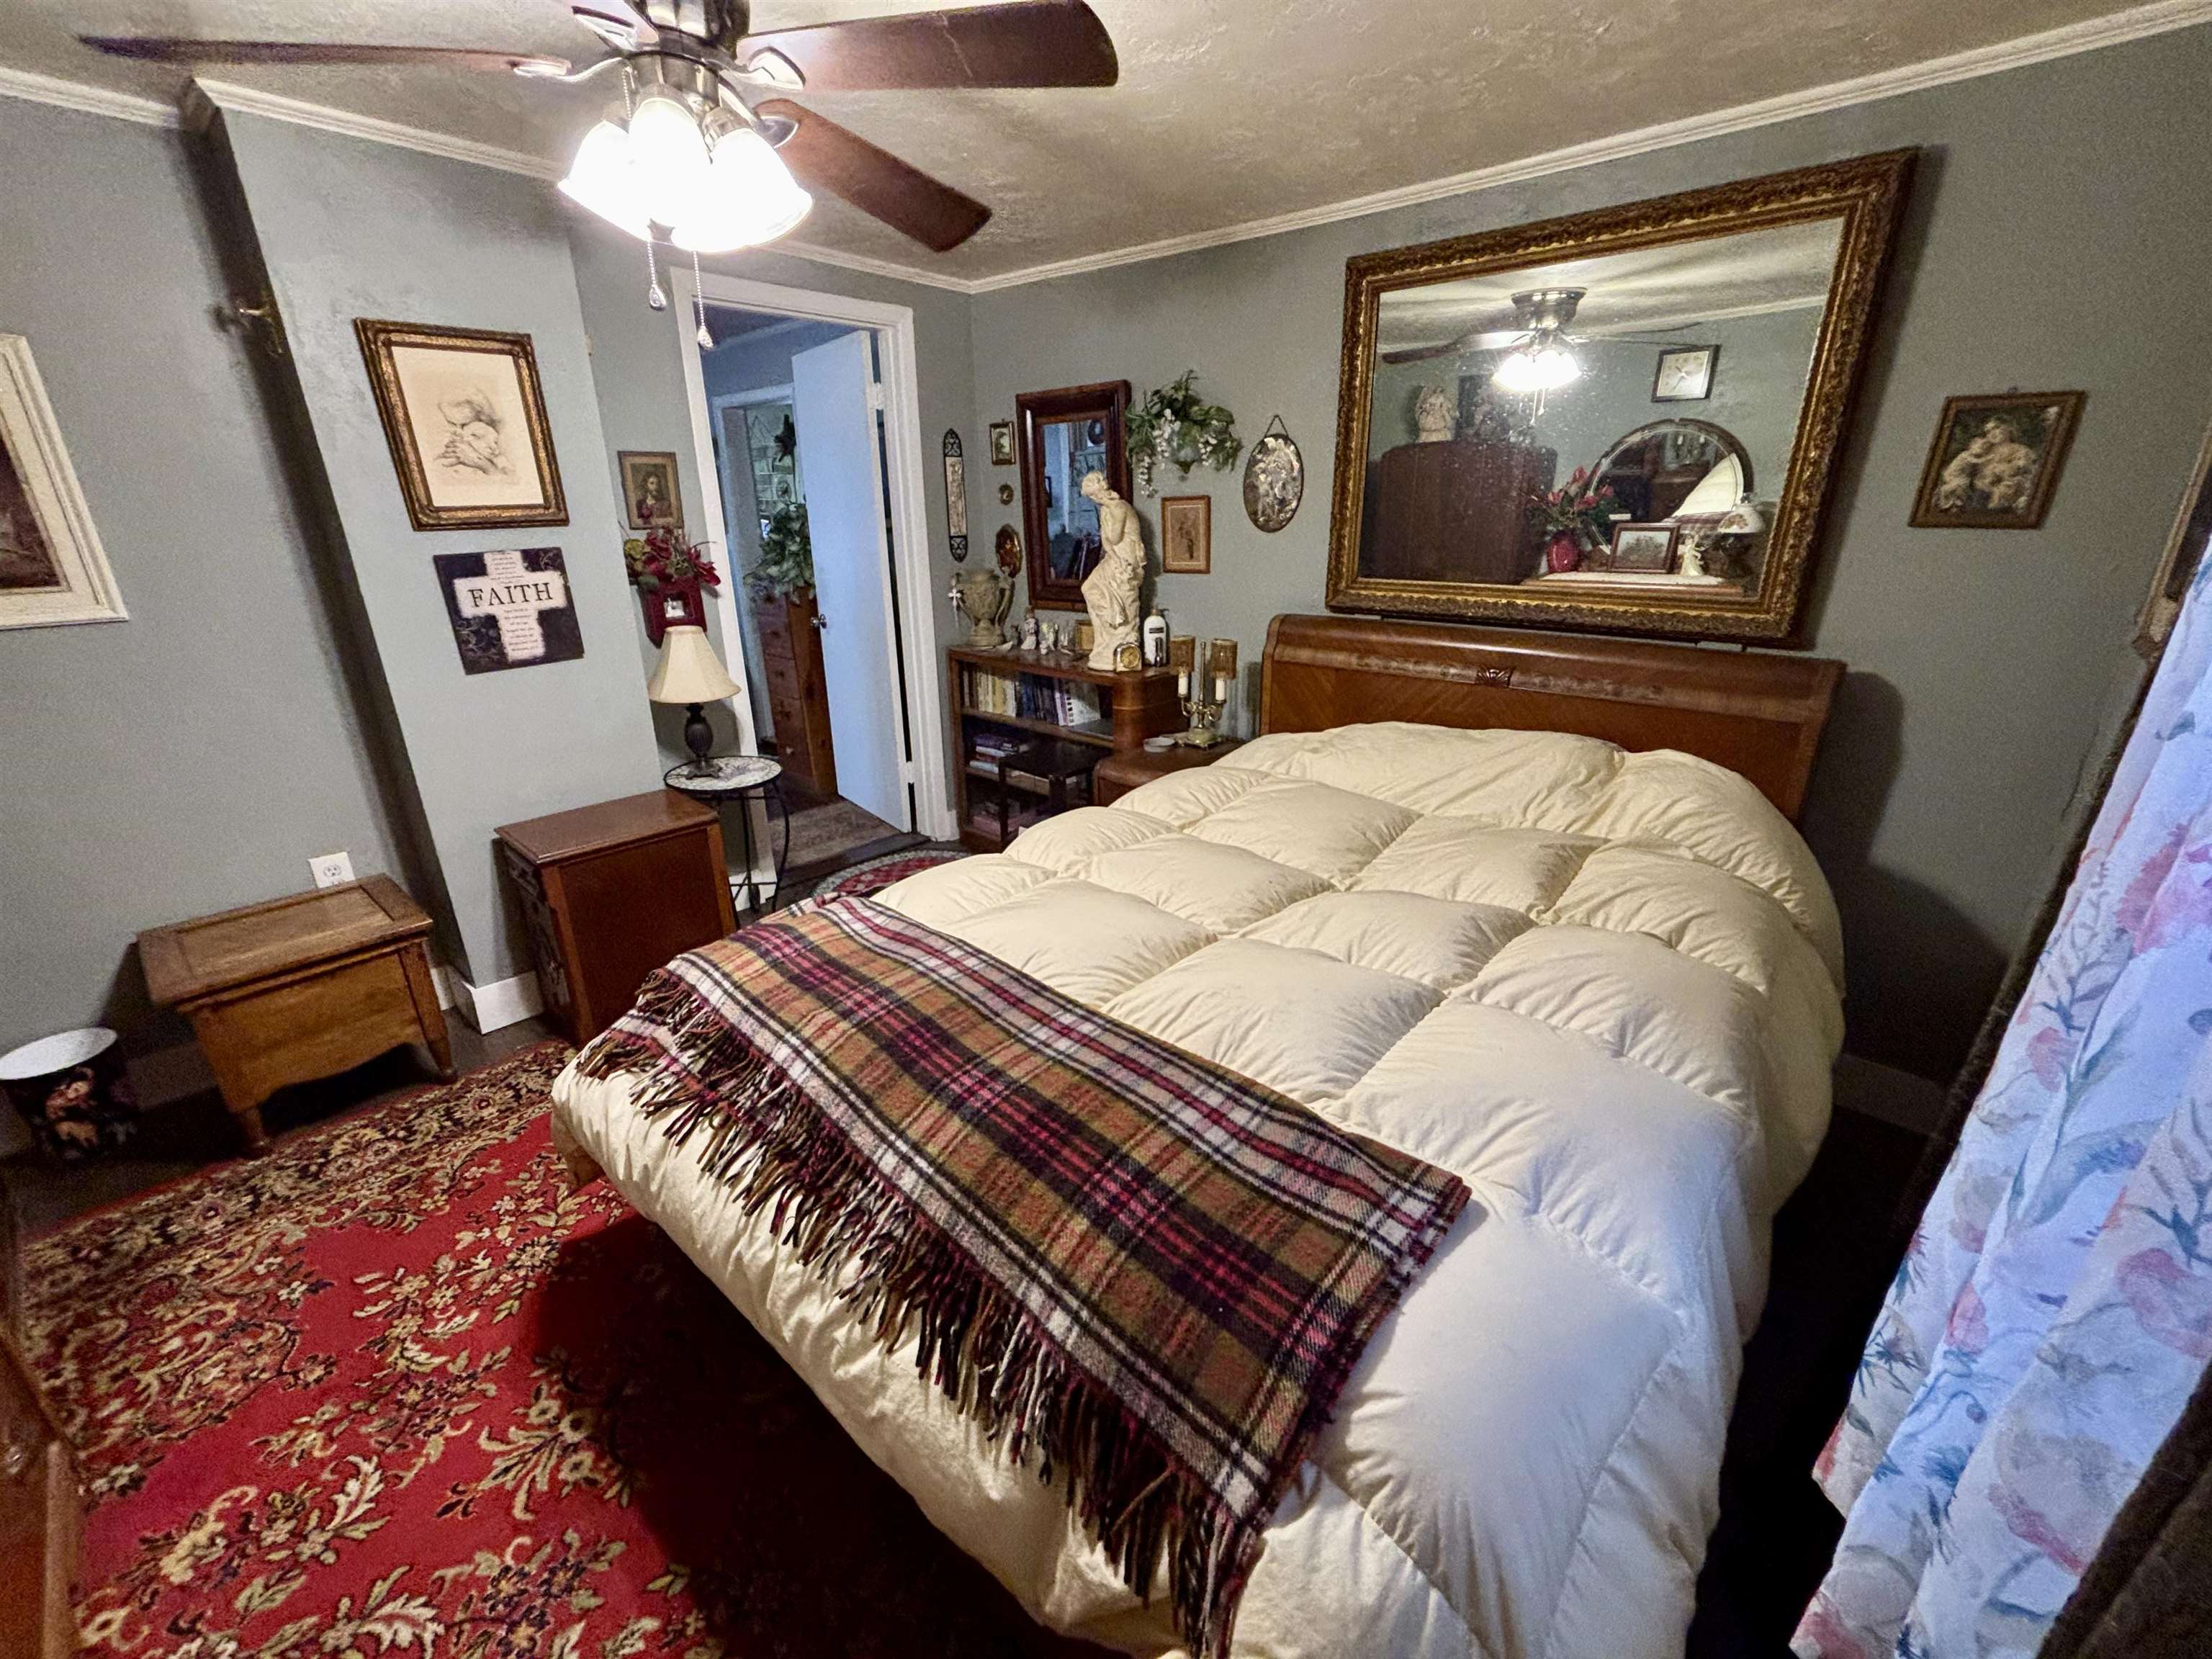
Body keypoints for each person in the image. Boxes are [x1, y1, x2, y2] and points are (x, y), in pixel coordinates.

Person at [1079, 471, 1144, 668]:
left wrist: (1108, 538)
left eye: (1095, 495)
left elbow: (1114, 538)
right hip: (1114, 557)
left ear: (1102, 490)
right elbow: (1106, 544)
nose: (1094, 499)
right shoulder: (1106, 510)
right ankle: (1112, 620)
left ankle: (1121, 636)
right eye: (1091, 497)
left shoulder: (1118, 508)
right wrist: (1112, 553)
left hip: (1128, 560)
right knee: (1089, 587)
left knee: (1127, 600)